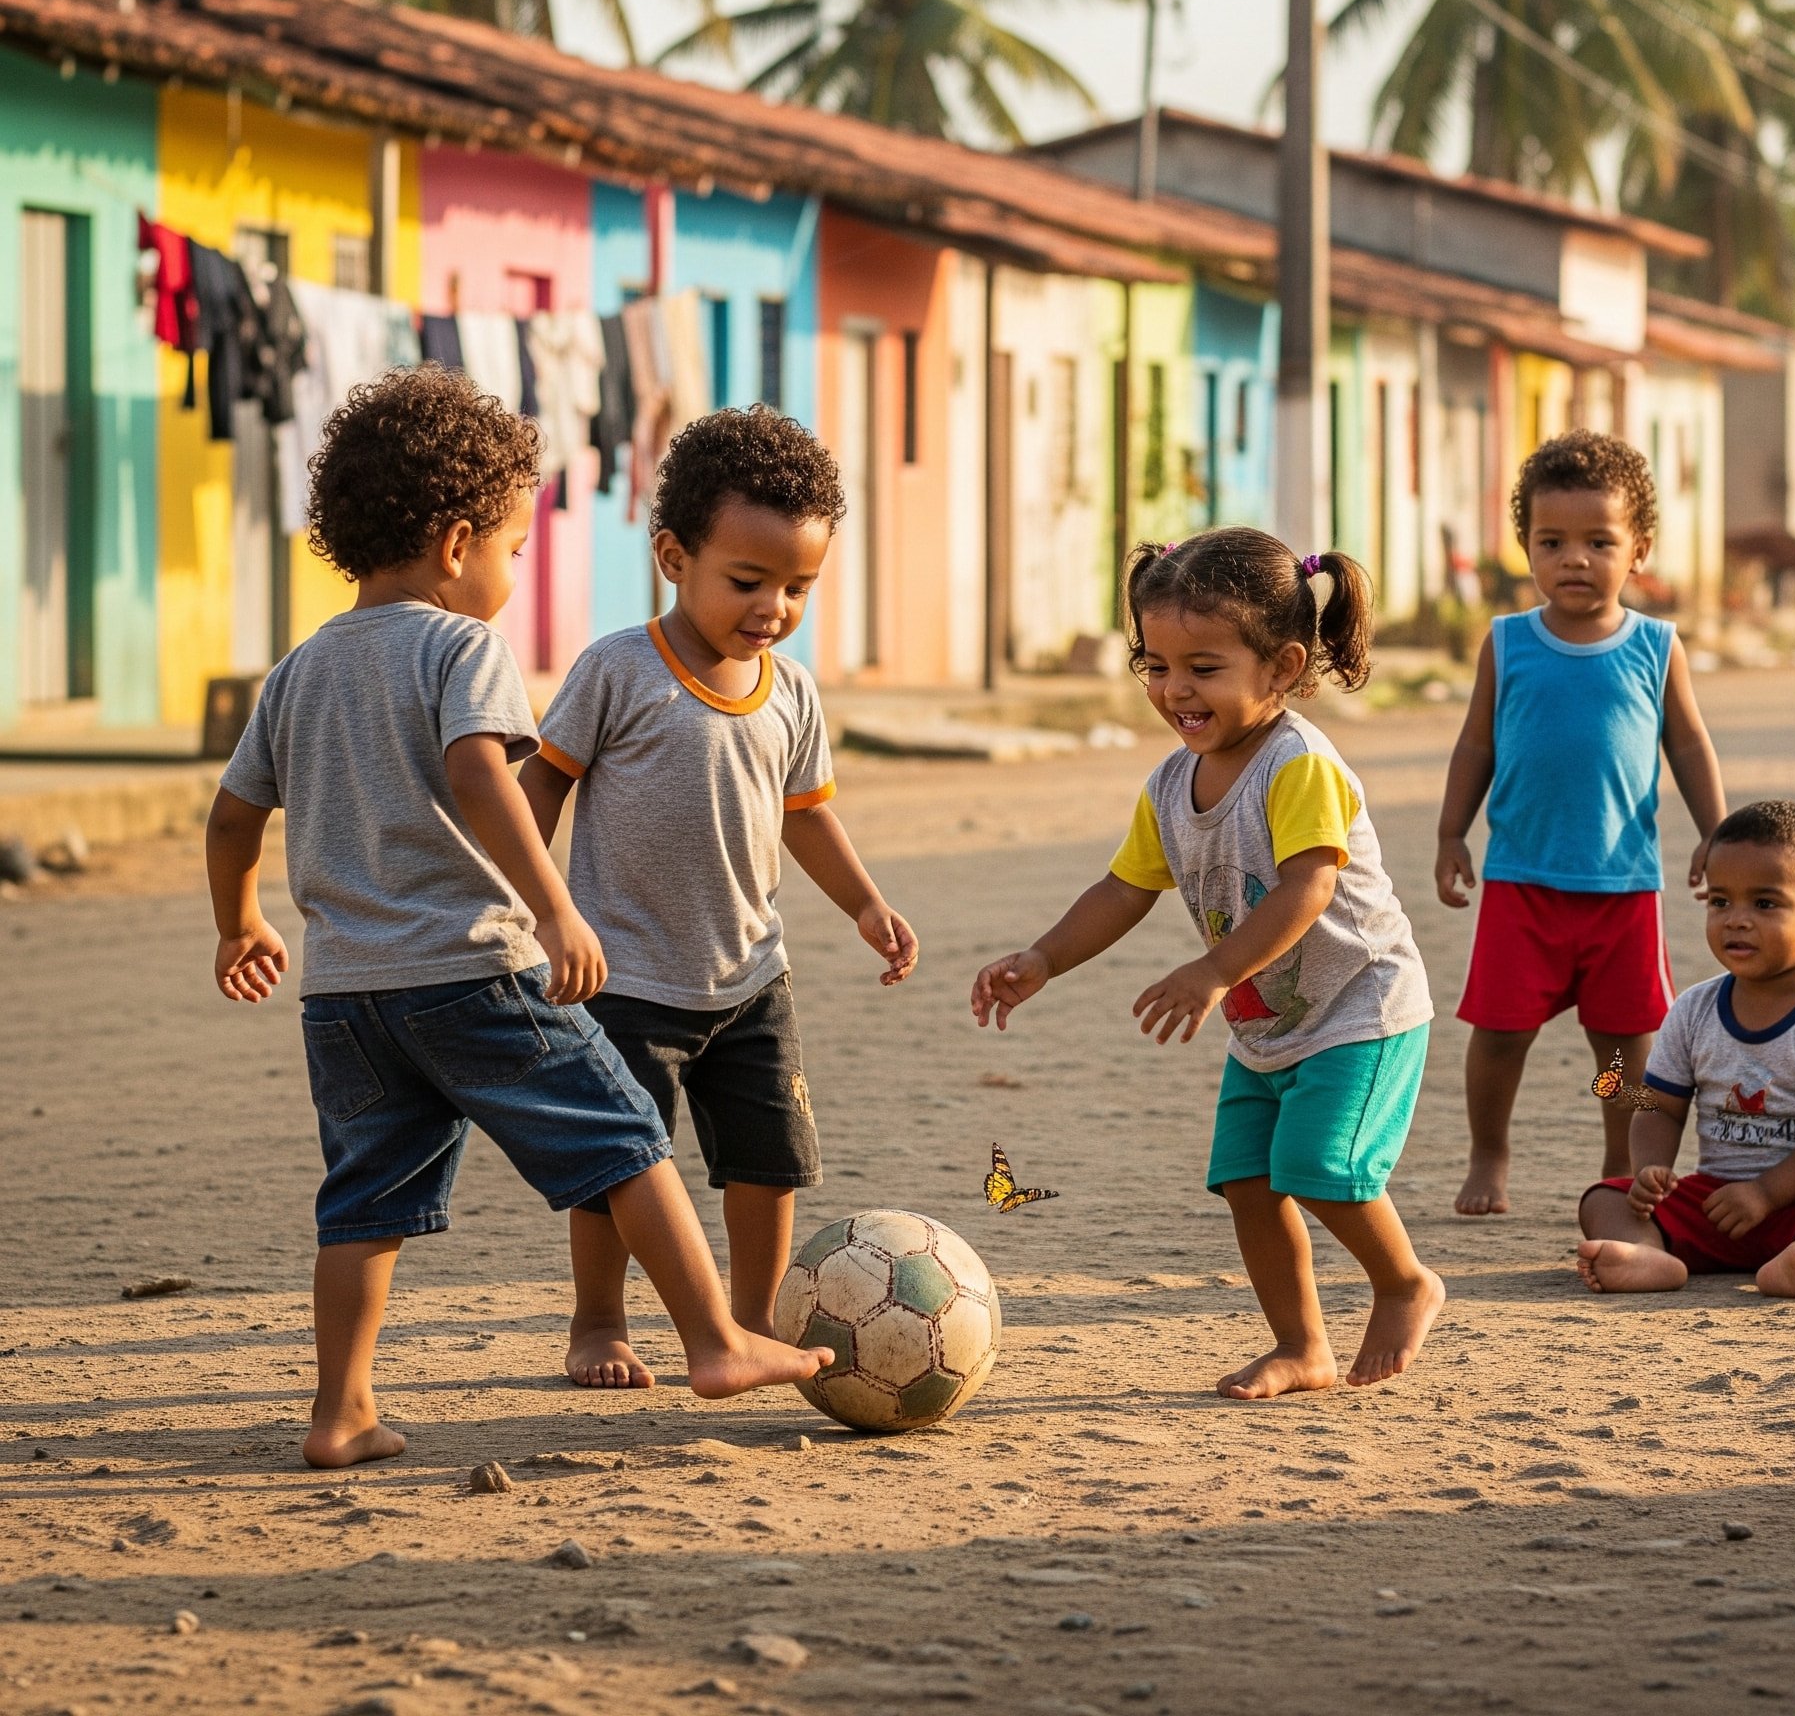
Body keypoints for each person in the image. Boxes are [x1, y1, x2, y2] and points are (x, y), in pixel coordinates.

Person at [204, 368, 829, 1469]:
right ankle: (716, 1338)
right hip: (468, 968)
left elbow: (232, 811)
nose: (511, 570)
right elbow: (485, 774)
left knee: (363, 1203)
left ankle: (340, 1408)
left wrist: (240, 921)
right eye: (512, 547)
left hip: (343, 992)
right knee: (629, 1141)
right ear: (456, 544)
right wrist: (552, 906)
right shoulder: (460, 647)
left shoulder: (296, 671)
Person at [970, 529, 1442, 1400]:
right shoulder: (1168, 785)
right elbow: (1122, 889)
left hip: (1359, 1010)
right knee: (1248, 1185)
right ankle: (1303, 1346)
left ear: (1283, 666)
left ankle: (1404, 1281)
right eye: (1154, 665)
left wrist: (1213, 970)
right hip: (1268, 1027)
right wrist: (1042, 958)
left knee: (1322, 1171)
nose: (1174, 689)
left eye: (1204, 667)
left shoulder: (1299, 766)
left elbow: (1306, 887)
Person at [521, 406, 918, 1389]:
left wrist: (865, 905)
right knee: (616, 1164)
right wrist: (535, 906)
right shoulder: (616, 670)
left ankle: (747, 1320)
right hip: (624, 974)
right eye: (747, 581)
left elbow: (806, 814)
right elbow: (540, 786)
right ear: (672, 555)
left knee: (770, 1160)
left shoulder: (791, 691)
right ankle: (599, 1319)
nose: (772, 606)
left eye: (798, 587)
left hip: (751, 973)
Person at [1436, 431, 1726, 1217]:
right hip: (1521, 885)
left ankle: (1618, 1154)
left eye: (1600, 541)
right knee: (1500, 1037)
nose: (1575, 558)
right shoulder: (1508, 643)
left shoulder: (1656, 648)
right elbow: (1477, 743)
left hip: (1621, 889)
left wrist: (1717, 832)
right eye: (1551, 541)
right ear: (1525, 546)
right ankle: (1489, 1153)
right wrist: (1449, 834)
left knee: (1620, 1050)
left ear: (1639, 551)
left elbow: (1688, 742)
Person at [1575, 800, 1795, 1299]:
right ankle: (1650, 1258)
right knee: (1604, 1199)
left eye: (1765, 904)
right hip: (1720, 1203)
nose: (1736, 920)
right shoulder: (1693, 1010)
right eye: (1720, 901)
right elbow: (1658, 1106)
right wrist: (1650, 1170)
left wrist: (1767, 1194)